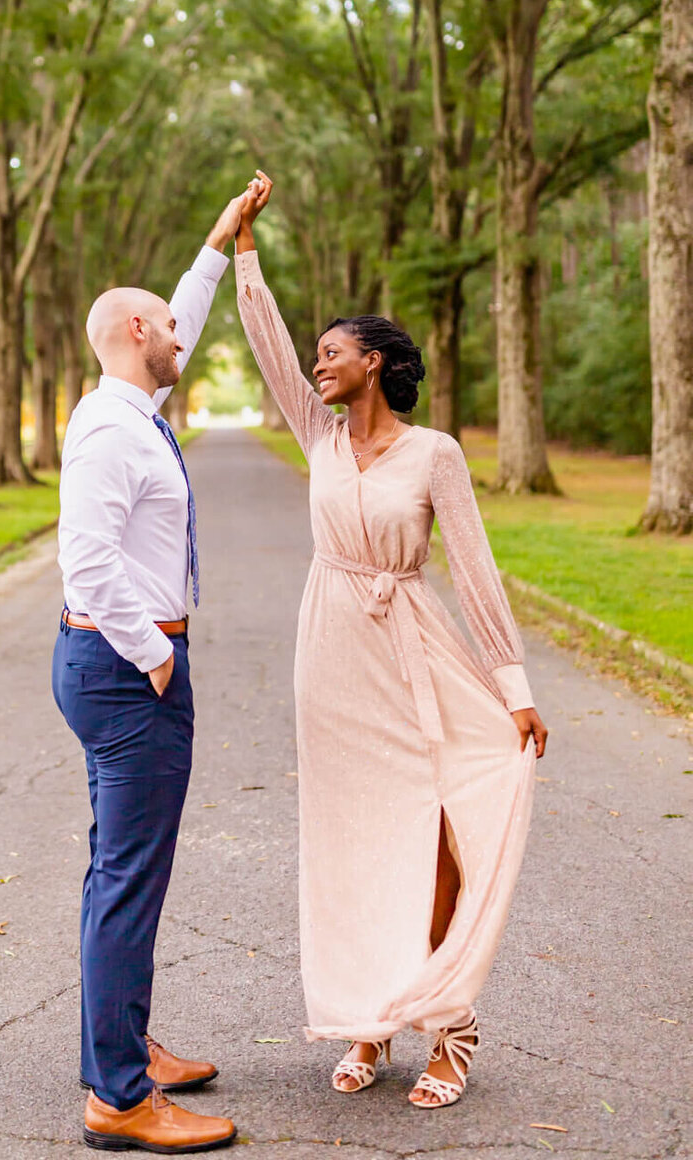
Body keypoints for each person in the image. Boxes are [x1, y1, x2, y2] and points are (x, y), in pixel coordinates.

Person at [234, 171, 547, 1110]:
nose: (320, 365)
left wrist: (516, 682)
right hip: (330, 648)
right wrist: (244, 245)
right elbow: (268, 350)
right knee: (352, 835)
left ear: (375, 362)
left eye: (335, 353)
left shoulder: (435, 453)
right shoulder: (318, 437)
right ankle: (368, 1020)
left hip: (414, 640)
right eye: (319, 353)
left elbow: (478, 569)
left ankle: (450, 1023)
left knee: (441, 828)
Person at [52, 196, 249, 1154]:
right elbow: (86, 561)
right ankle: (120, 1099)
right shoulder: (106, 431)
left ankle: (122, 1046)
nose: (182, 333)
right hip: (127, 670)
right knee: (129, 876)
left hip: (120, 668)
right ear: (136, 333)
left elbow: (186, 309)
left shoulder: (135, 409)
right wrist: (158, 654)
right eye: (168, 324)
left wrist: (215, 246)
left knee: (120, 871)